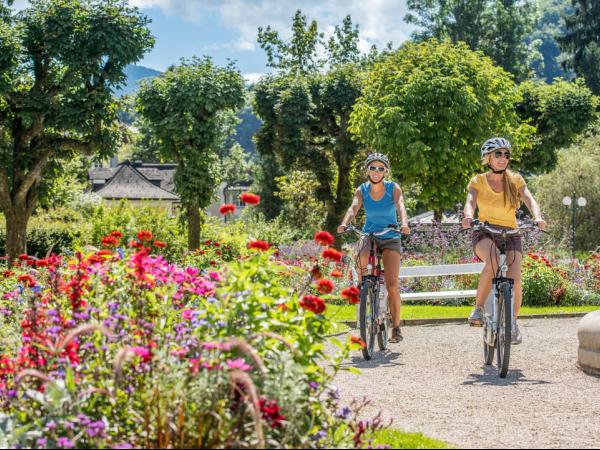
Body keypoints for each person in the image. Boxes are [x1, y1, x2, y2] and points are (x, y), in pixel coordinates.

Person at [462, 137, 546, 344]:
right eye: (498, 154)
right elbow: (470, 202)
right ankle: (479, 309)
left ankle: (513, 323)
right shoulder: (478, 181)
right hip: (485, 230)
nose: (502, 158)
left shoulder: (515, 179)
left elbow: (529, 199)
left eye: (506, 154)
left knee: (515, 281)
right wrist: (468, 216)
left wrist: (538, 217)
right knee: (491, 260)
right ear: (488, 158)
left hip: (511, 233)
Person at [337, 153, 410, 343]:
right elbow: (354, 208)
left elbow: (400, 206)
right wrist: (345, 223)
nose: (376, 172)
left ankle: (396, 327)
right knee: (360, 252)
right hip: (369, 234)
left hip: (390, 235)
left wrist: (404, 223)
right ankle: (364, 289)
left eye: (380, 168)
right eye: (372, 168)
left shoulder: (393, 188)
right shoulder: (362, 190)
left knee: (392, 284)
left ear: (386, 171)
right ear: (367, 170)